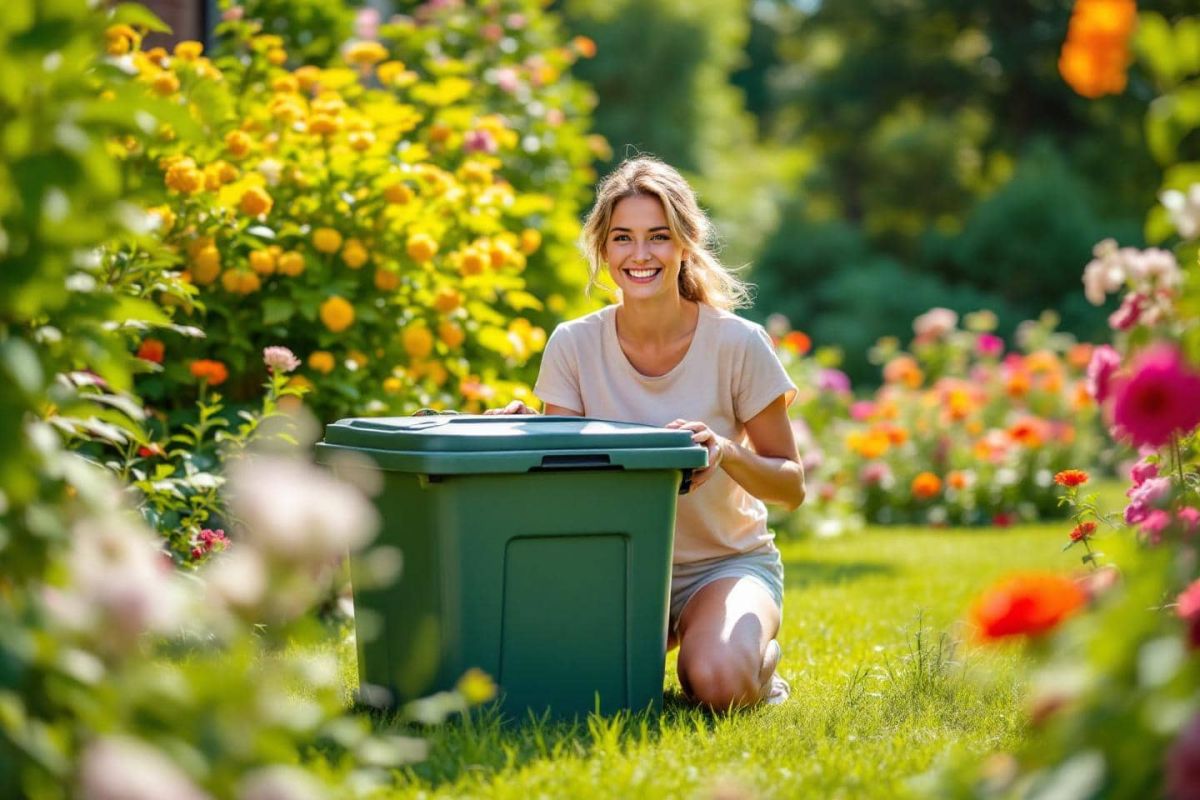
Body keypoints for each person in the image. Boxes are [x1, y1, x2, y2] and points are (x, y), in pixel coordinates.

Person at [487, 156, 804, 709]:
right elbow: (563, 482)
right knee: (567, 685)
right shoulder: (573, 344)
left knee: (719, 684)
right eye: (622, 238)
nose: (640, 255)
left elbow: (791, 486)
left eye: (658, 236)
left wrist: (726, 452)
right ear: (603, 249)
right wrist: (528, 434)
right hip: (613, 567)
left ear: (685, 243)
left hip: (722, 565)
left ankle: (754, 666)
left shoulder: (739, 343)